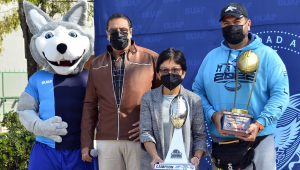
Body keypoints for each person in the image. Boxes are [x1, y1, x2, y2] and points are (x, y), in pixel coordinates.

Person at [192, 3, 289, 170]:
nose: (231, 27)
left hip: (258, 141)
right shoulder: (211, 57)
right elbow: (197, 91)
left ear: (248, 24)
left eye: (237, 21)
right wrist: (212, 115)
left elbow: (281, 94)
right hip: (222, 144)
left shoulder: (268, 55)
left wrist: (259, 124)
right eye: (226, 23)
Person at [81, 13, 161, 170]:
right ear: (107, 34)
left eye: (123, 30)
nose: (119, 34)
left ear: (131, 32)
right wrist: (86, 143)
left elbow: (164, 99)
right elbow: (90, 105)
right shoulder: (96, 64)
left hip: (141, 140)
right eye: (114, 30)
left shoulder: (151, 59)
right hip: (106, 141)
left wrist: (149, 126)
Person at [140, 48, 208, 170]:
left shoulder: (194, 100)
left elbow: (200, 136)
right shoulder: (148, 98)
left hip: (186, 166)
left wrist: (196, 158)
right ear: (158, 74)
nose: (170, 74)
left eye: (175, 70)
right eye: (164, 70)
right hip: (156, 165)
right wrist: (155, 157)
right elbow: (146, 133)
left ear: (183, 73)